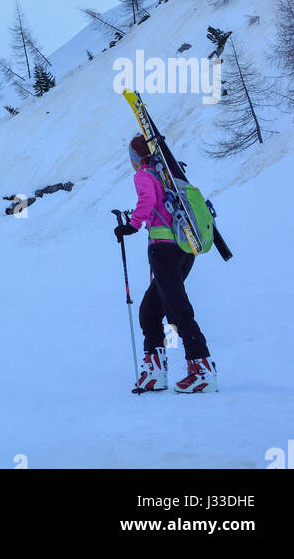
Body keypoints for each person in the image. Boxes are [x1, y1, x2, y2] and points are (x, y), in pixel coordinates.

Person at [115, 135, 218, 393]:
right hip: (186, 248)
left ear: (136, 158)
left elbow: (147, 201)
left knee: (177, 310)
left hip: (163, 250)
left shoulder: (144, 176)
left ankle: (201, 370)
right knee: (150, 310)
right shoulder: (169, 176)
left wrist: (132, 225)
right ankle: (155, 373)